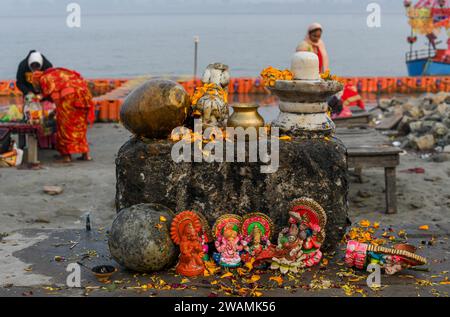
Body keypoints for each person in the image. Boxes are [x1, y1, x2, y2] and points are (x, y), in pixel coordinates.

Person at [32, 68, 95, 163]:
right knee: (80, 125)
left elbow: (54, 96)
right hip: (84, 96)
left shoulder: (44, 78)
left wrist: (56, 111)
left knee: (64, 126)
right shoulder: (57, 73)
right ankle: (85, 155)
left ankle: (66, 156)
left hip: (70, 98)